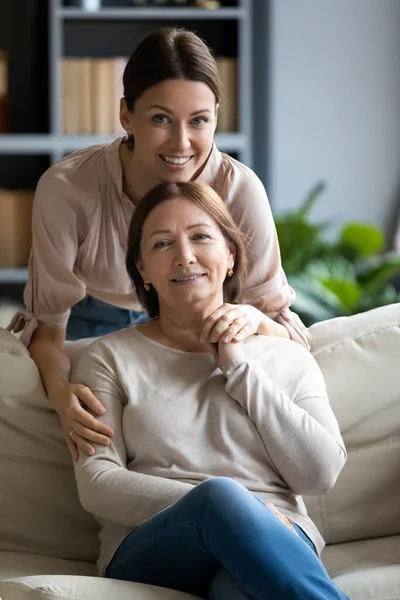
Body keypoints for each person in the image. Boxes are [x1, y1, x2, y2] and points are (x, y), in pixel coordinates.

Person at [8, 27, 310, 461]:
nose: (181, 143)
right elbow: (49, 329)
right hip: (91, 322)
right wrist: (60, 392)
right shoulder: (67, 188)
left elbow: (280, 330)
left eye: (199, 120)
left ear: (217, 117)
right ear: (126, 115)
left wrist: (249, 318)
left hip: (201, 323)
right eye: (161, 119)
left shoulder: (239, 190)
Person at [72, 181, 349, 600]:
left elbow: (321, 473)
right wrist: (228, 508)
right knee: (220, 498)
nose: (184, 256)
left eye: (201, 236)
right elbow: (97, 481)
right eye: (162, 243)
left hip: (281, 537)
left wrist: (238, 368)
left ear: (231, 255)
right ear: (143, 270)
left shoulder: (285, 356)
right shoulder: (109, 358)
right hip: (154, 547)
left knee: (235, 589)